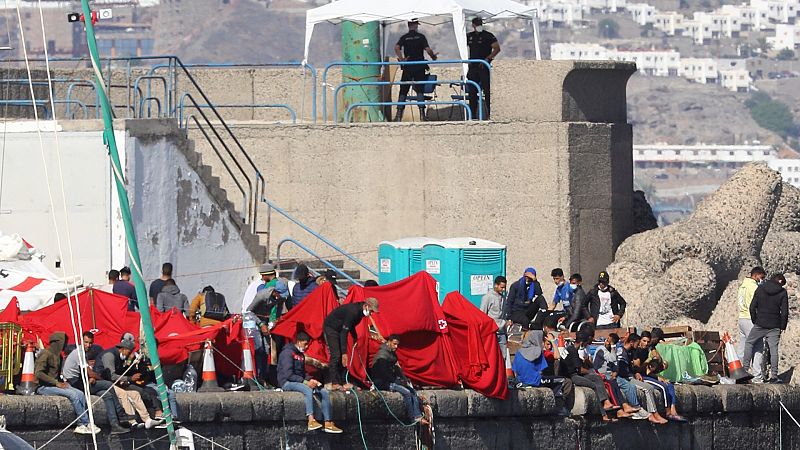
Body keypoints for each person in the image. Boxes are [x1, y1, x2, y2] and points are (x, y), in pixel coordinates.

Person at [62, 331, 131, 434]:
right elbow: (88, 372)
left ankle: (114, 425)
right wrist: (98, 378)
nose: (88, 345)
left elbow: (86, 372)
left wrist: (92, 378)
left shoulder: (83, 353)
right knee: (108, 385)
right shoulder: (79, 353)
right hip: (75, 384)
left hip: (81, 382)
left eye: (90, 343)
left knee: (107, 395)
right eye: (86, 342)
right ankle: (120, 412)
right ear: (81, 341)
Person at [34, 332, 99, 435]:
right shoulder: (45, 354)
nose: (65, 346)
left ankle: (81, 424)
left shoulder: (59, 356)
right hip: (43, 387)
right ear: (58, 343)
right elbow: (38, 373)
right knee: (73, 395)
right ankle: (86, 422)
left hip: (56, 384)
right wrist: (56, 383)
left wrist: (61, 382)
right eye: (64, 343)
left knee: (80, 394)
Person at [278, 331, 343, 433]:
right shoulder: (287, 353)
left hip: (299, 381)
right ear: (299, 342)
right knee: (307, 389)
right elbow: (288, 375)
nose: (307, 347)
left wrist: (312, 380)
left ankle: (328, 422)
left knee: (324, 392)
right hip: (286, 382)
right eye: (305, 344)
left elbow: (303, 374)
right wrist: (305, 383)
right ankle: (311, 419)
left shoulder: (301, 355)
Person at [560, 330, 621, 423]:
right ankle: (603, 414)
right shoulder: (572, 351)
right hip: (572, 376)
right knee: (593, 385)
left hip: (577, 374)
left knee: (597, 378)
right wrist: (590, 371)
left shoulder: (572, 349)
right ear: (581, 342)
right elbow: (579, 369)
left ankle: (606, 402)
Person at [370, 335, 427, 424]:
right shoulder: (383, 355)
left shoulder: (392, 353)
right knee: (406, 393)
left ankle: (418, 415)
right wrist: (398, 382)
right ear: (389, 342)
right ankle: (412, 417)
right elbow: (384, 374)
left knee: (412, 391)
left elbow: (396, 367)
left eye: (397, 345)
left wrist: (404, 380)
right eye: (394, 344)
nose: (396, 347)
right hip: (381, 381)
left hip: (390, 379)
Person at [323, 298, 380, 388]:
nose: (371, 313)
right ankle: (335, 382)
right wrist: (344, 352)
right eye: (371, 311)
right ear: (366, 306)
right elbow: (344, 332)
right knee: (337, 355)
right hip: (332, 328)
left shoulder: (360, 313)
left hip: (341, 329)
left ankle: (343, 380)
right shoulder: (353, 312)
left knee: (344, 357)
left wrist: (355, 338)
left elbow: (351, 326)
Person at [743, 273, 789, 383]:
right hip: (775, 325)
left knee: (749, 343)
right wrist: (783, 326)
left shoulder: (760, 288)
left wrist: (755, 320)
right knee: (774, 350)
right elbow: (784, 312)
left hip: (760, 323)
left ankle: (744, 371)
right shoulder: (782, 292)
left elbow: (752, 307)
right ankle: (774, 376)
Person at [617, 333, 668, 424]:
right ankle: (653, 414)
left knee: (652, 387)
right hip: (626, 378)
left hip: (631, 376)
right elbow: (622, 369)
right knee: (648, 388)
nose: (641, 344)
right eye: (639, 342)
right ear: (632, 342)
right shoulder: (622, 352)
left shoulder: (630, 352)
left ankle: (654, 414)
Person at [393, 18, 438, 122]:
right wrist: (433, 56)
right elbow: (428, 49)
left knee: (403, 90)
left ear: (409, 25)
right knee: (419, 89)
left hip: (408, 66)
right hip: (419, 66)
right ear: (415, 25)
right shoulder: (421, 37)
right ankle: (422, 116)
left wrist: (401, 59)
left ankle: (398, 116)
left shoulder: (404, 37)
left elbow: (396, 47)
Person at [592, 333, 642, 418]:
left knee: (623, 384)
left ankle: (628, 406)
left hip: (610, 374)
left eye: (610, 341)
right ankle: (621, 408)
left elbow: (615, 364)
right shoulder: (602, 349)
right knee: (612, 384)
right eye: (607, 340)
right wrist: (611, 347)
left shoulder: (612, 350)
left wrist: (615, 372)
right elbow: (612, 359)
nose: (607, 342)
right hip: (600, 374)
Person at [466, 17, 500, 120]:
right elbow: (463, 46)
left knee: (487, 91)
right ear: (473, 25)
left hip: (484, 66)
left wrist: (487, 59)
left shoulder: (488, 36)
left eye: (479, 23)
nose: (478, 25)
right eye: (476, 24)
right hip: (473, 67)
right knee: (472, 91)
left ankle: (490, 114)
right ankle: (472, 114)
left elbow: (497, 48)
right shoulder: (469, 36)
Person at [738, 266, 767, 382]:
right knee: (758, 347)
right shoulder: (754, 287)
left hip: (741, 319)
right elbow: (757, 305)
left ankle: (739, 373)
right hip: (751, 319)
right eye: (762, 277)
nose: (763, 279)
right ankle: (757, 376)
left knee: (743, 346)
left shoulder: (742, 286)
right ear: (756, 275)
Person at [480, 276, 508, 362]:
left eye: (504, 287)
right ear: (496, 285)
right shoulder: (487, 297)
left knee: (503, 356)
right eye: (501, 287)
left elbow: (503, 315)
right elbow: (482, 314)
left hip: (501, 331)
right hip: (492, 331)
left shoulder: (503, 298)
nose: (503, 290)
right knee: (492, 356)